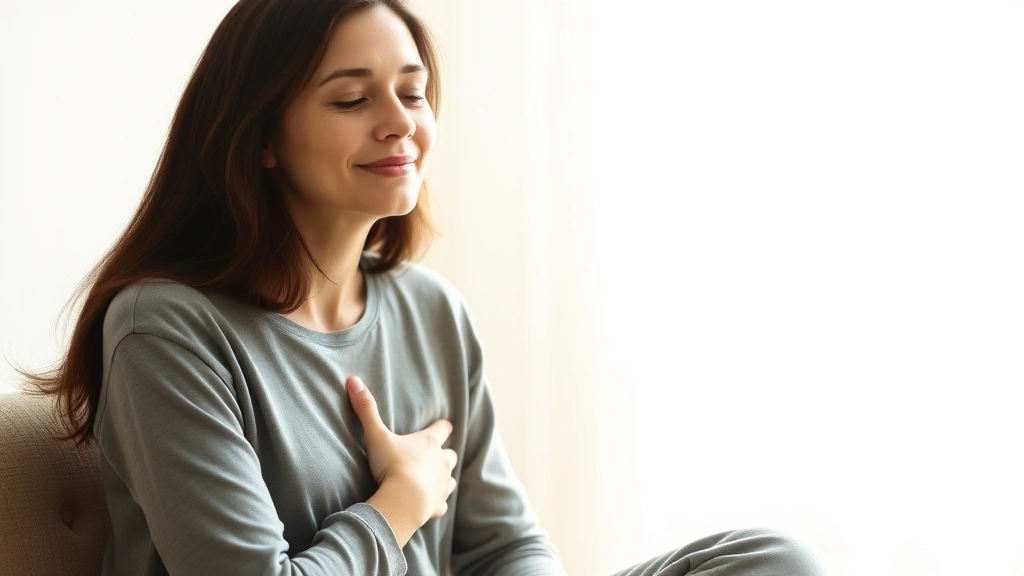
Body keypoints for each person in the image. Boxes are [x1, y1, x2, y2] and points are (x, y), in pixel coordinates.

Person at [26, 0, 827, 574]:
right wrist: (397, 505)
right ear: (261, 136)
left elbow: (505, 546)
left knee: (771, 560)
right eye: (352, 98)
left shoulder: (430, 309)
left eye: (412, 93)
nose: (400, 121)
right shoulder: (165, 329)